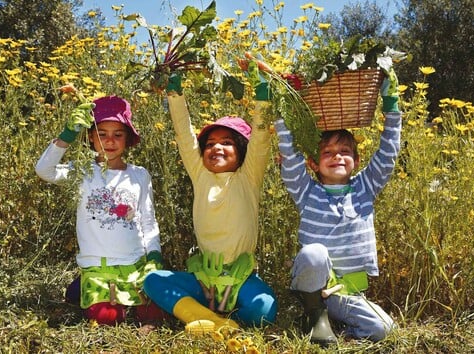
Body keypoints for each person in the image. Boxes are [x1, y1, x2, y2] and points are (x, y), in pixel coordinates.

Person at [143, 61, 277, 333]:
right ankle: (212, 321)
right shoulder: (201, 175)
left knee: (265, 308)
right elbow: (184, 135)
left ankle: (205, 313)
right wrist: (175, 94)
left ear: (242, 151)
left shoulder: (248, 177)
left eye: (227, 143)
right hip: (204, 279)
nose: (216, 147)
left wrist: (263, 94)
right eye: (210, 143)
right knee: (153, 280)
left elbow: (261, 139)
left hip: (240, 279)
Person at [276, 69, 401, 344]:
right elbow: (289, 155)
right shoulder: (306, 191)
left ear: (356, 160)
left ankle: (338, 328)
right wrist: (281, 107)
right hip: (312, 285)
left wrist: (391, 105)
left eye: (345, 151)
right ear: (313, 163)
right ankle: (311, 312)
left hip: (346, 293)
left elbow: (388, 153)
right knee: (314, 253)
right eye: (328, 153)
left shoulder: (366, 187)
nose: (337, 157)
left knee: (385, 329)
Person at [35, 96, 166, 326]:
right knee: (107, 318)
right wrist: (67, 135)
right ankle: (86, 290)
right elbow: (44, 170)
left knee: (154, 313)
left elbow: (148, 220)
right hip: (98, 265)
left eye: (118, 134)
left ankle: (87, 293)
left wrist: (153, 256)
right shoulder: (83, 172)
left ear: (128, 139)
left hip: (135, 264)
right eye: (102, 133)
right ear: (90, 137)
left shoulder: (139, 175)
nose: (110, 141)